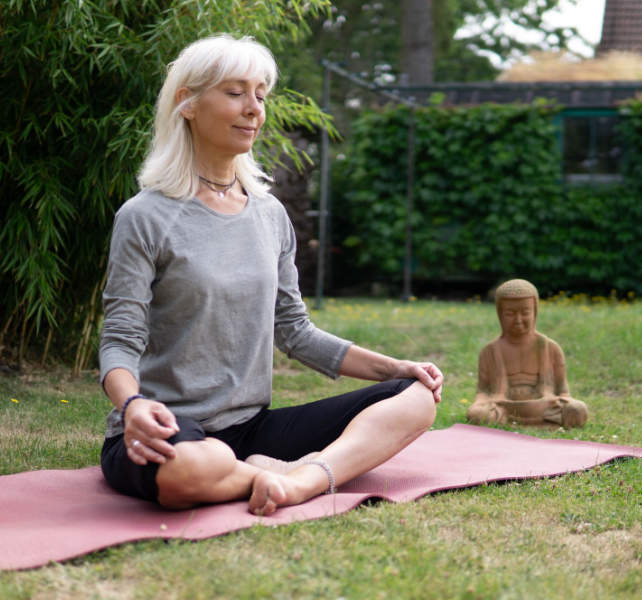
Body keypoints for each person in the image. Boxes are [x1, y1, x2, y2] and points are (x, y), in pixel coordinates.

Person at [99, 34, 442, 517]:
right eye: (236, 93)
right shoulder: (145, 217)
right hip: (165, 430)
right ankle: (279, 474)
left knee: (416, 399)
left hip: (251, 429)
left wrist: (395, 369)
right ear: (188, 103)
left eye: (261, 94)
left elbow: (294, 331)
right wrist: (132, 406)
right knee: (186, 468)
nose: (254, 109)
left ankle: (300, 480)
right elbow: (120, 337)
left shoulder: (269, 214)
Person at [466, 279, 587, 428]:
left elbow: (563, 392)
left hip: (544, 408)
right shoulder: (489, 352)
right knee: (477, 414)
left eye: (525, 312)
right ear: (500, 314)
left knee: (577, 409)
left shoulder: (551, 348)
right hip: (504, 408)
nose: (518, 320)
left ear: (535, 312)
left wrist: (565, 401)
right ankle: (517, 422)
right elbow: (483, 392)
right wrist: (481, 404)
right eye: (510, 313)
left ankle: (519, 424)